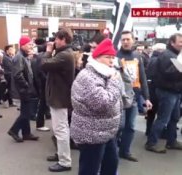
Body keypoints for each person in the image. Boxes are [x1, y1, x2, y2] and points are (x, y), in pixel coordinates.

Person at [71, 38, 122, 175]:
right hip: (91, 134)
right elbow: (103, 103)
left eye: (113, 57)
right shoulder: (88, 76)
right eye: (107, 57)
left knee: (111, 165)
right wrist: (115, 82)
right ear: (97, 58)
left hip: (106, 131)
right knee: (89, 170)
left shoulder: (106, 74)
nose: (111, 61)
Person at [41, 28, 75, 172]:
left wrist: (48, 50)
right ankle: (61, 154)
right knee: (60, 129)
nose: (54, 42)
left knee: (61, 129)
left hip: (60, 98)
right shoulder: (65, 53)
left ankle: (65, 161)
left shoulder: (65, 55)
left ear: (63, 40)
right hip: (58, 97)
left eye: (56, 39)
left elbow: (43, 64)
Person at [117, 31, 152, 162]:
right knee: (119, 126)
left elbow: (142, 77)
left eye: (128, 39)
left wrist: (146, 97)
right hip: (120, 97)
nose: (125, 42)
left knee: (130, 126)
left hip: (135, 97)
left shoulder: (137, 56)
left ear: (133, 40)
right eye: (123, 39)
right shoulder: (115, 56)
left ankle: (125, 151)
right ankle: (114, 149)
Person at [146, 33, 182, 153]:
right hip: (167, 91)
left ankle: (171, 141)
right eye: (180, 42)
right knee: (163, 118)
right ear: (172, 43)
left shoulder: (174, 55)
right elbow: (170, 73)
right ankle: (151, 143)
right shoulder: (168, 55)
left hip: (175, 91)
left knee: (174, 117)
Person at [8, 36, 39, 143]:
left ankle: (26, 133)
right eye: (29, 44)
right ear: (23, 45)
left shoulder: (23, 56)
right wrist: (26, 86)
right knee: (26, 113)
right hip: (23, 90)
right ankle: (14, 130)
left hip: (25, 89)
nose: (31, 46)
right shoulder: (19, 57)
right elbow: (17, 75)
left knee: (26, 112)